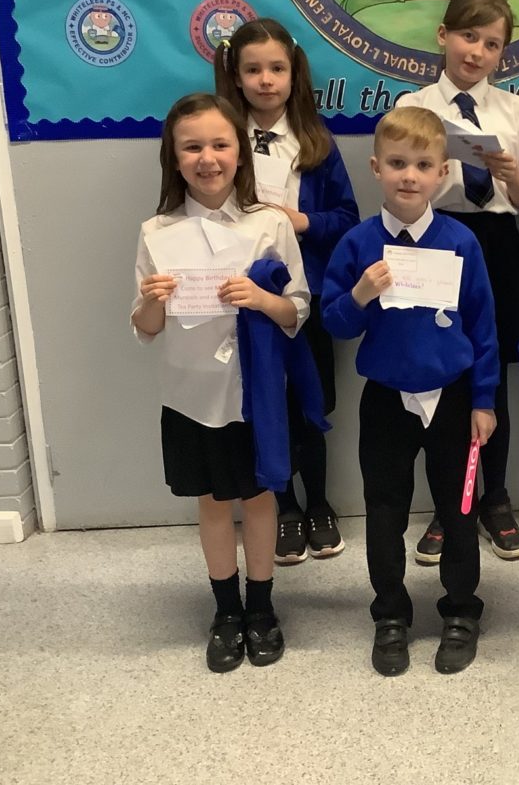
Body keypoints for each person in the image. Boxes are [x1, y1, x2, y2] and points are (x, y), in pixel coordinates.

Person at [131, 93, 310, 672]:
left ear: (240, 152)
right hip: (191, 396)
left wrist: (261, 299)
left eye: (219, 144)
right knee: (211, 503)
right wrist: (152, 302)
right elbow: (146, 328)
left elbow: (298, 310)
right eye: (192, 147)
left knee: (259, 500)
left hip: (255, 394)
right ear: (173, 157)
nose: (207, 158)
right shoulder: (157, 232)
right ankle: (226, 611)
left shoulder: (269, 224)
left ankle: (261, 608)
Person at [321, 106, 499, 676]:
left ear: (443, 172)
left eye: (423, 165)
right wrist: (359, 295)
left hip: (453, 398)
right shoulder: (358, 243)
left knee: (459, 511)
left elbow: (484, 327)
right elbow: (334, 323)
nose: (409, 176)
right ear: (376, 167)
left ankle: (461, 611)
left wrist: (484, 400)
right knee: (384, 512)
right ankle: (391, 615)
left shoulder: (461, 241)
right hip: (386, 401)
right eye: (397, 163)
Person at [395, 0, 519, 564]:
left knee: (491, 373)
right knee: (441, 374)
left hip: (496, 244)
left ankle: (495, 498)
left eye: (492, 44)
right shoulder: (414, 105)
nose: (476, 51)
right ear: (443, 35)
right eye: (467, 36)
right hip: (433, 240)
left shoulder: (513, 110)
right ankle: (446, 503)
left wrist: (508, 174)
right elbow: (399, 189)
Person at [215, 18, 359, 563]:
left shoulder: (316, 142)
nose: (266, 80)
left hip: (308, 296)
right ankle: (285, 507)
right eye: (253, 70)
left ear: (294, 74)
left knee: (310, 404)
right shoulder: (224, 141)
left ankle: (319, 503)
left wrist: (302, 222)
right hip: (245, 299)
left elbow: (347, 218)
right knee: (263, 402)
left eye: (277, 68)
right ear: (236, 75)